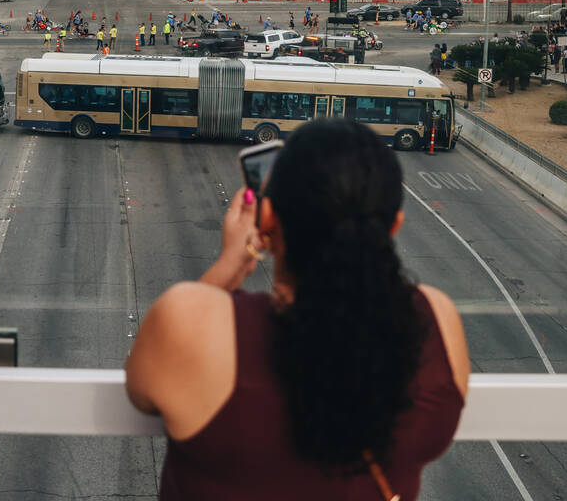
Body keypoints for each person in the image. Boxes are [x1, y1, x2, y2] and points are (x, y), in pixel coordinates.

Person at [126, 119, 468, 500]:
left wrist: (230, 265)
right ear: (393, 226)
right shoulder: (436, 321)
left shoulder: (189, 320)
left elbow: (143, 393)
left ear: (268, 218)